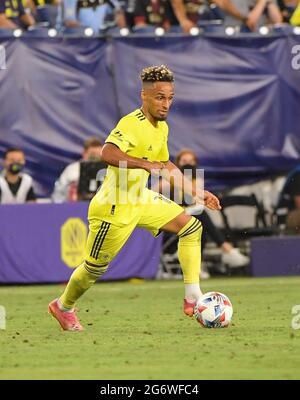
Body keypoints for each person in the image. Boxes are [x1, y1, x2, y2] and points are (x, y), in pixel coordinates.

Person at [48, 65, 221, 331]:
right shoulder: (130, 123)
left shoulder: (162, 127)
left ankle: (192, 295)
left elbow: (165, 165)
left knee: (191, 226)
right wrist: (143, 164)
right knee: (93, 270)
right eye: (160, 97)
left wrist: (198, 193)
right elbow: (107, 153)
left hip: (141, 198)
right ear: (144, 96)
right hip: (113, 208)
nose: (166, 104)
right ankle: (63, 306)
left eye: (170, 97)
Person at [160, 148, 249, 273]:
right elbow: (156, 192)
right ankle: (226, 248)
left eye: (191, 161)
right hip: (168, 218)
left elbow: (193, 201)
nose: (188, 164)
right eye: (184, 161)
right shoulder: (168, 178)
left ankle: (195, 264)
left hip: (187, 217)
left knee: (199, 224)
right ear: (178, 163)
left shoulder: (197, 179)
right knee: (201, 215)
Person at [52, 137, 102, 203]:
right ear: (84, 153)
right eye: (93, 154)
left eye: (99, 155)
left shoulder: (107, 171)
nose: (96, 158)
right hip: (75, 208)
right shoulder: (72, 170)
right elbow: (59, 194)